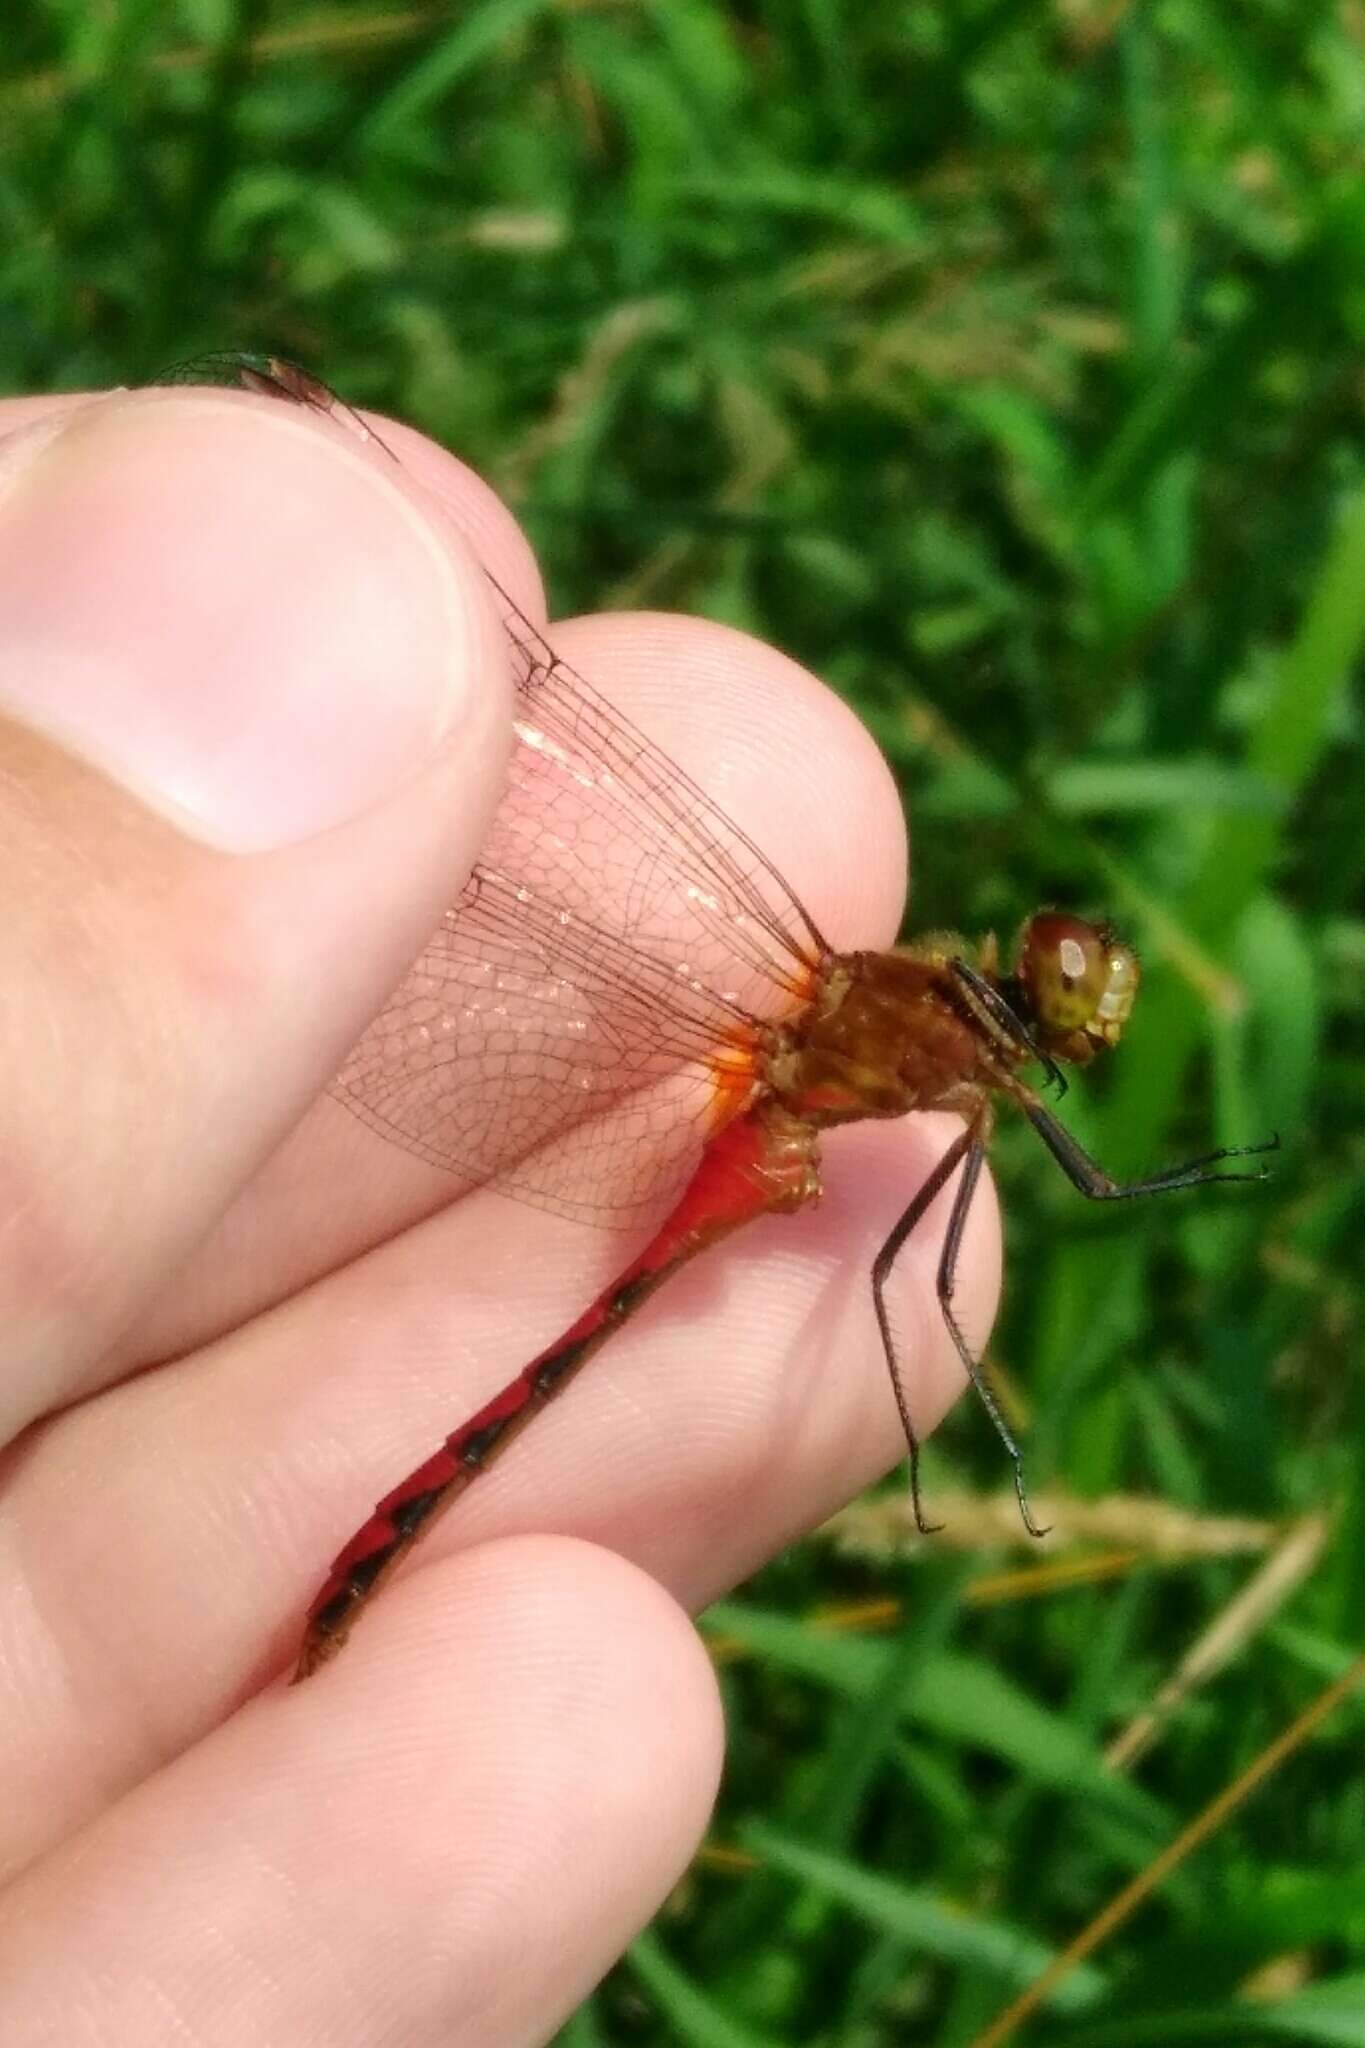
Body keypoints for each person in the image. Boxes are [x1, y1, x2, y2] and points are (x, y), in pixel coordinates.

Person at [0, 378, 999, 2043]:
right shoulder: (901, 1026)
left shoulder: (959, 1071)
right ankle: (360, 1575)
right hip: (754, 1113)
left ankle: (354, 1595)